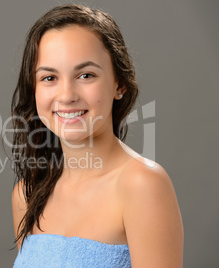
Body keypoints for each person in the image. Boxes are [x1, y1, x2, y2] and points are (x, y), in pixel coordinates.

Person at [10, 3, 184, 268]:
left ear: (119, 84)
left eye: (86, 75)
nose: (67, 95)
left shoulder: (142, 185)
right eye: (49, 78)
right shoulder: (27, 193)